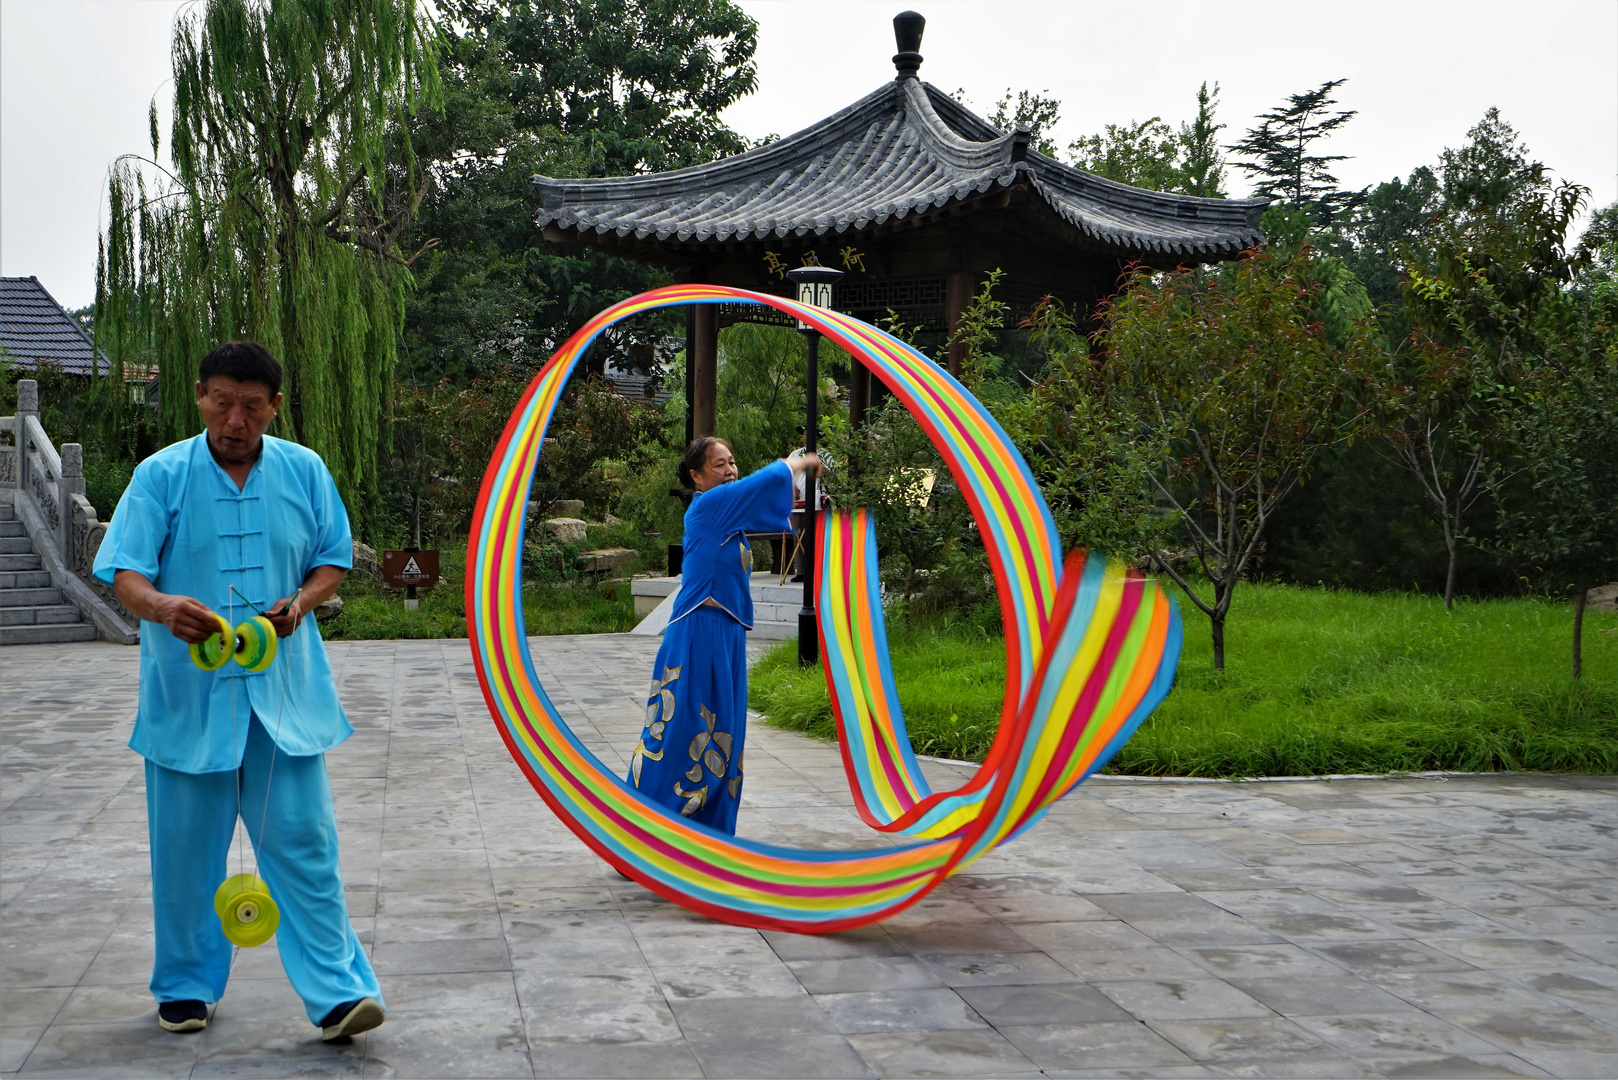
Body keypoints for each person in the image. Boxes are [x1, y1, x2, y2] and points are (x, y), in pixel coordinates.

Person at [93, 341, 383, 1042]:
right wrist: (163, 608)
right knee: (185, 855)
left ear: (273, 407)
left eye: (252, 406)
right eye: (222, 401)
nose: (235, 418)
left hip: (283, 702)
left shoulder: (305, 470)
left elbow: (332, 558)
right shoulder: (161, 475)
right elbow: (123, 572)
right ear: (199, 397)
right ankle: (187, 987)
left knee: (306, 847)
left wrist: (304, 602)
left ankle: (340, 995)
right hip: (189, 703)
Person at [628, 437, 821, 834]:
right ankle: (643, 830)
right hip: (699, 635)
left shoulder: (728, 519)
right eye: (719, 465)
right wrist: (793, 464)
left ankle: (707, 833)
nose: (730, 470)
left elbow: (756, 504)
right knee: (682, 732)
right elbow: (754, 489)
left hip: (725, 637)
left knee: (722, 737)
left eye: (732, 461)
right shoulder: (709, 507)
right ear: (697, 477)